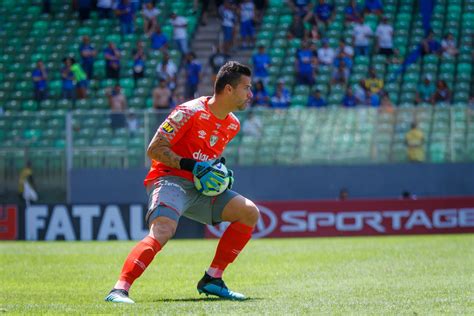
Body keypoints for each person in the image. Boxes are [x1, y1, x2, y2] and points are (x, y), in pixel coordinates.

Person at [104, 61, 258, 304]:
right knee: (163, 230)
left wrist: (219, 174)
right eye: (246, 88)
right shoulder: (188, 111)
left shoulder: (233, 124)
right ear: (228, 89)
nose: (250, 94)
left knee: (249, 212)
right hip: (169, 179)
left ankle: (212, 279)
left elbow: (205, 157)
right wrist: (191, 166)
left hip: (198, 188)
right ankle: (119, 289)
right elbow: (154, 149)